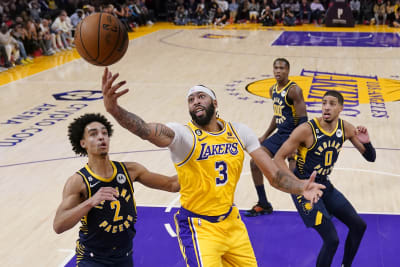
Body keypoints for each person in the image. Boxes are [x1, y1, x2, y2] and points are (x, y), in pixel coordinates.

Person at [101, 68, 325, 266]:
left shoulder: (239, 132)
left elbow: (274, 176)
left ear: (215, 103)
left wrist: (300, 187)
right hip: (199, 226)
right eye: (191, 99)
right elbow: (147, 131)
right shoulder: (183, 135)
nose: (195, 101)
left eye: (201, 96)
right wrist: (115, 110)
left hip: (231, 223)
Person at [53, 113, 179, 267]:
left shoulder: (130, 170)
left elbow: (172, 184)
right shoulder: (79, 182)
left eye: (104, 133)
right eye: (94, 134)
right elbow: (59, 225)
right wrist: (90, 202)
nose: (101, 137)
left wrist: (203, 167)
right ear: (83, 143)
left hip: (124, 257)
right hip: (92, 259)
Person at [275, 90, 376, 267]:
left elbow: (370, 157)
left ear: (341, 108)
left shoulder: (345, 128)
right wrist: (297, 185)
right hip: (304, 188)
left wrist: (367, 142)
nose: (326, 107)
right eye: (324, 103)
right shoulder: (306, 130)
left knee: (359, 226)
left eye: (332, 103)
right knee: (332, 240)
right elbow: (278, 158)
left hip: (323, 185)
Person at [245, 58, 307, 217]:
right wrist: (265, 135)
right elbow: (278, 114)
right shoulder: (273, 90)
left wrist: (295, 144)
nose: (278, 71)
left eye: (282, 68)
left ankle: (315, 205)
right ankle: (264, 203)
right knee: (255, 162)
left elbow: (303, 120)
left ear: (288, 71)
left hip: (294, 136)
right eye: (276, 68)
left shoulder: (294, 90)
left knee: (294, 172)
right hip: (280, 135)